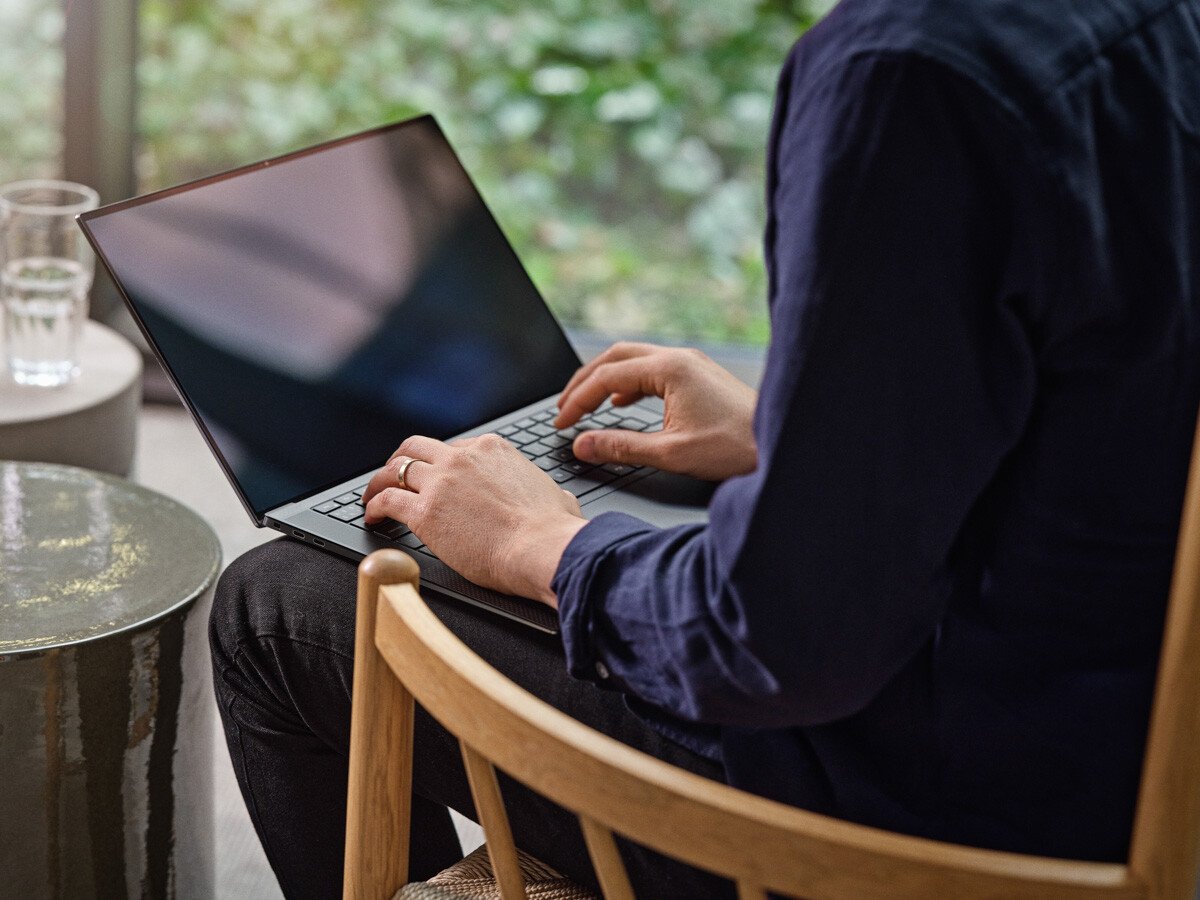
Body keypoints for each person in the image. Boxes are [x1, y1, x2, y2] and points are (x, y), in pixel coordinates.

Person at [210, 0, 1200, 896]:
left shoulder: (910, 67)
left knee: (275, 604)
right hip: (1116, 728)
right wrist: (793, 432)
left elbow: (782, 646)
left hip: (945, 822)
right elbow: (1099, 411)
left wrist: (539, 544)